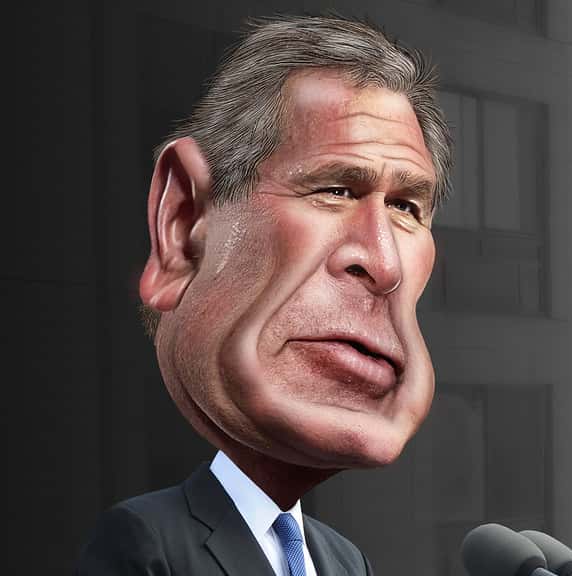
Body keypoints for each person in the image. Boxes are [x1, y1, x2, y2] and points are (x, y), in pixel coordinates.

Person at [76, 14, 452, 576]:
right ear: (183, 223)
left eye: (405, 207)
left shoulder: (344, 559)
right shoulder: (145, 537)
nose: (384, 262)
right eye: (335, 189)